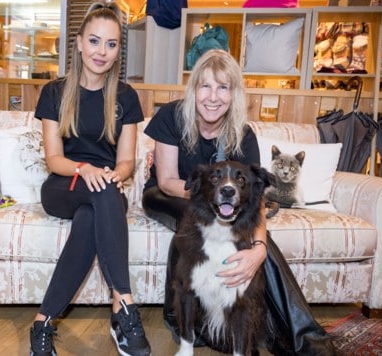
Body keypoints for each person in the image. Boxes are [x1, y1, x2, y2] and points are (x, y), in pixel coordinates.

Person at [142, 49, 335, 355]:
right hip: (168, 194)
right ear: (194, 89)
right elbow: (166, 180)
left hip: (217, 204)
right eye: (205, 86)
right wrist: (210, 197)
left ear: (234, 94)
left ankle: (304, 337)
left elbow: (254, 199)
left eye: (223, 87)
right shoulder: (171, 116)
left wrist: (258, 249)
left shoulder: (242, 134)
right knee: (194, 218)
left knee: (246, 236)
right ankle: (179, 317)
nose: (213, 97)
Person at [29, 2, 151, 356]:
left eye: (111, 44)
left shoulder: (126, 97)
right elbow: (54, 159)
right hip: (63, 184)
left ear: (117, 51)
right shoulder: (54, 92)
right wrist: (86, 170)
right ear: (80, 43)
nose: (101, 52)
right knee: (101, 194)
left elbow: (126, 160)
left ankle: (42, 323)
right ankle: (125, 309)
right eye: (95, 41)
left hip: (106, 189)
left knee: (93, 215)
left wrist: (116, 173)